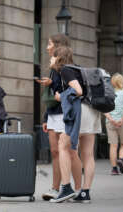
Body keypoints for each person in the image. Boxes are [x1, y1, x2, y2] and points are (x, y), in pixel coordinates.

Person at [50, 47, 102, 203]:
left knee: (63, 145)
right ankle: (85, 193)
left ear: (58, 58)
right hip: (92, 111)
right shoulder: (78, 69)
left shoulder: (65, 70)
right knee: (87, 153)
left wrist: (61, 97)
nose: (50, 60)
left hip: (80, 112)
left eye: (52, 57)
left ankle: (66, 188)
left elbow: (78, 91)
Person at [37, 34, 82, 201]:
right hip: (53, 113)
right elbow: (51, 96)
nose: (47, 47)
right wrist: (45, 117)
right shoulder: (53, 68)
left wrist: (52, 84)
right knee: (55, 152)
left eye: (49, 44)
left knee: (71, 151)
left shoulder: (68, 68)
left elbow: (67, 93)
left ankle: (78, 189)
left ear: (58, 46)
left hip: (66, 113)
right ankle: (56, 188)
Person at [104, 73, 123, 175]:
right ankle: (120, 159)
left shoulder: (107, 93)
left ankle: (114, 169)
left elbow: (104, 108)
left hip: (110, 123)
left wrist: (111, 119)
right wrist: (122, 119)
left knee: (113, 145)